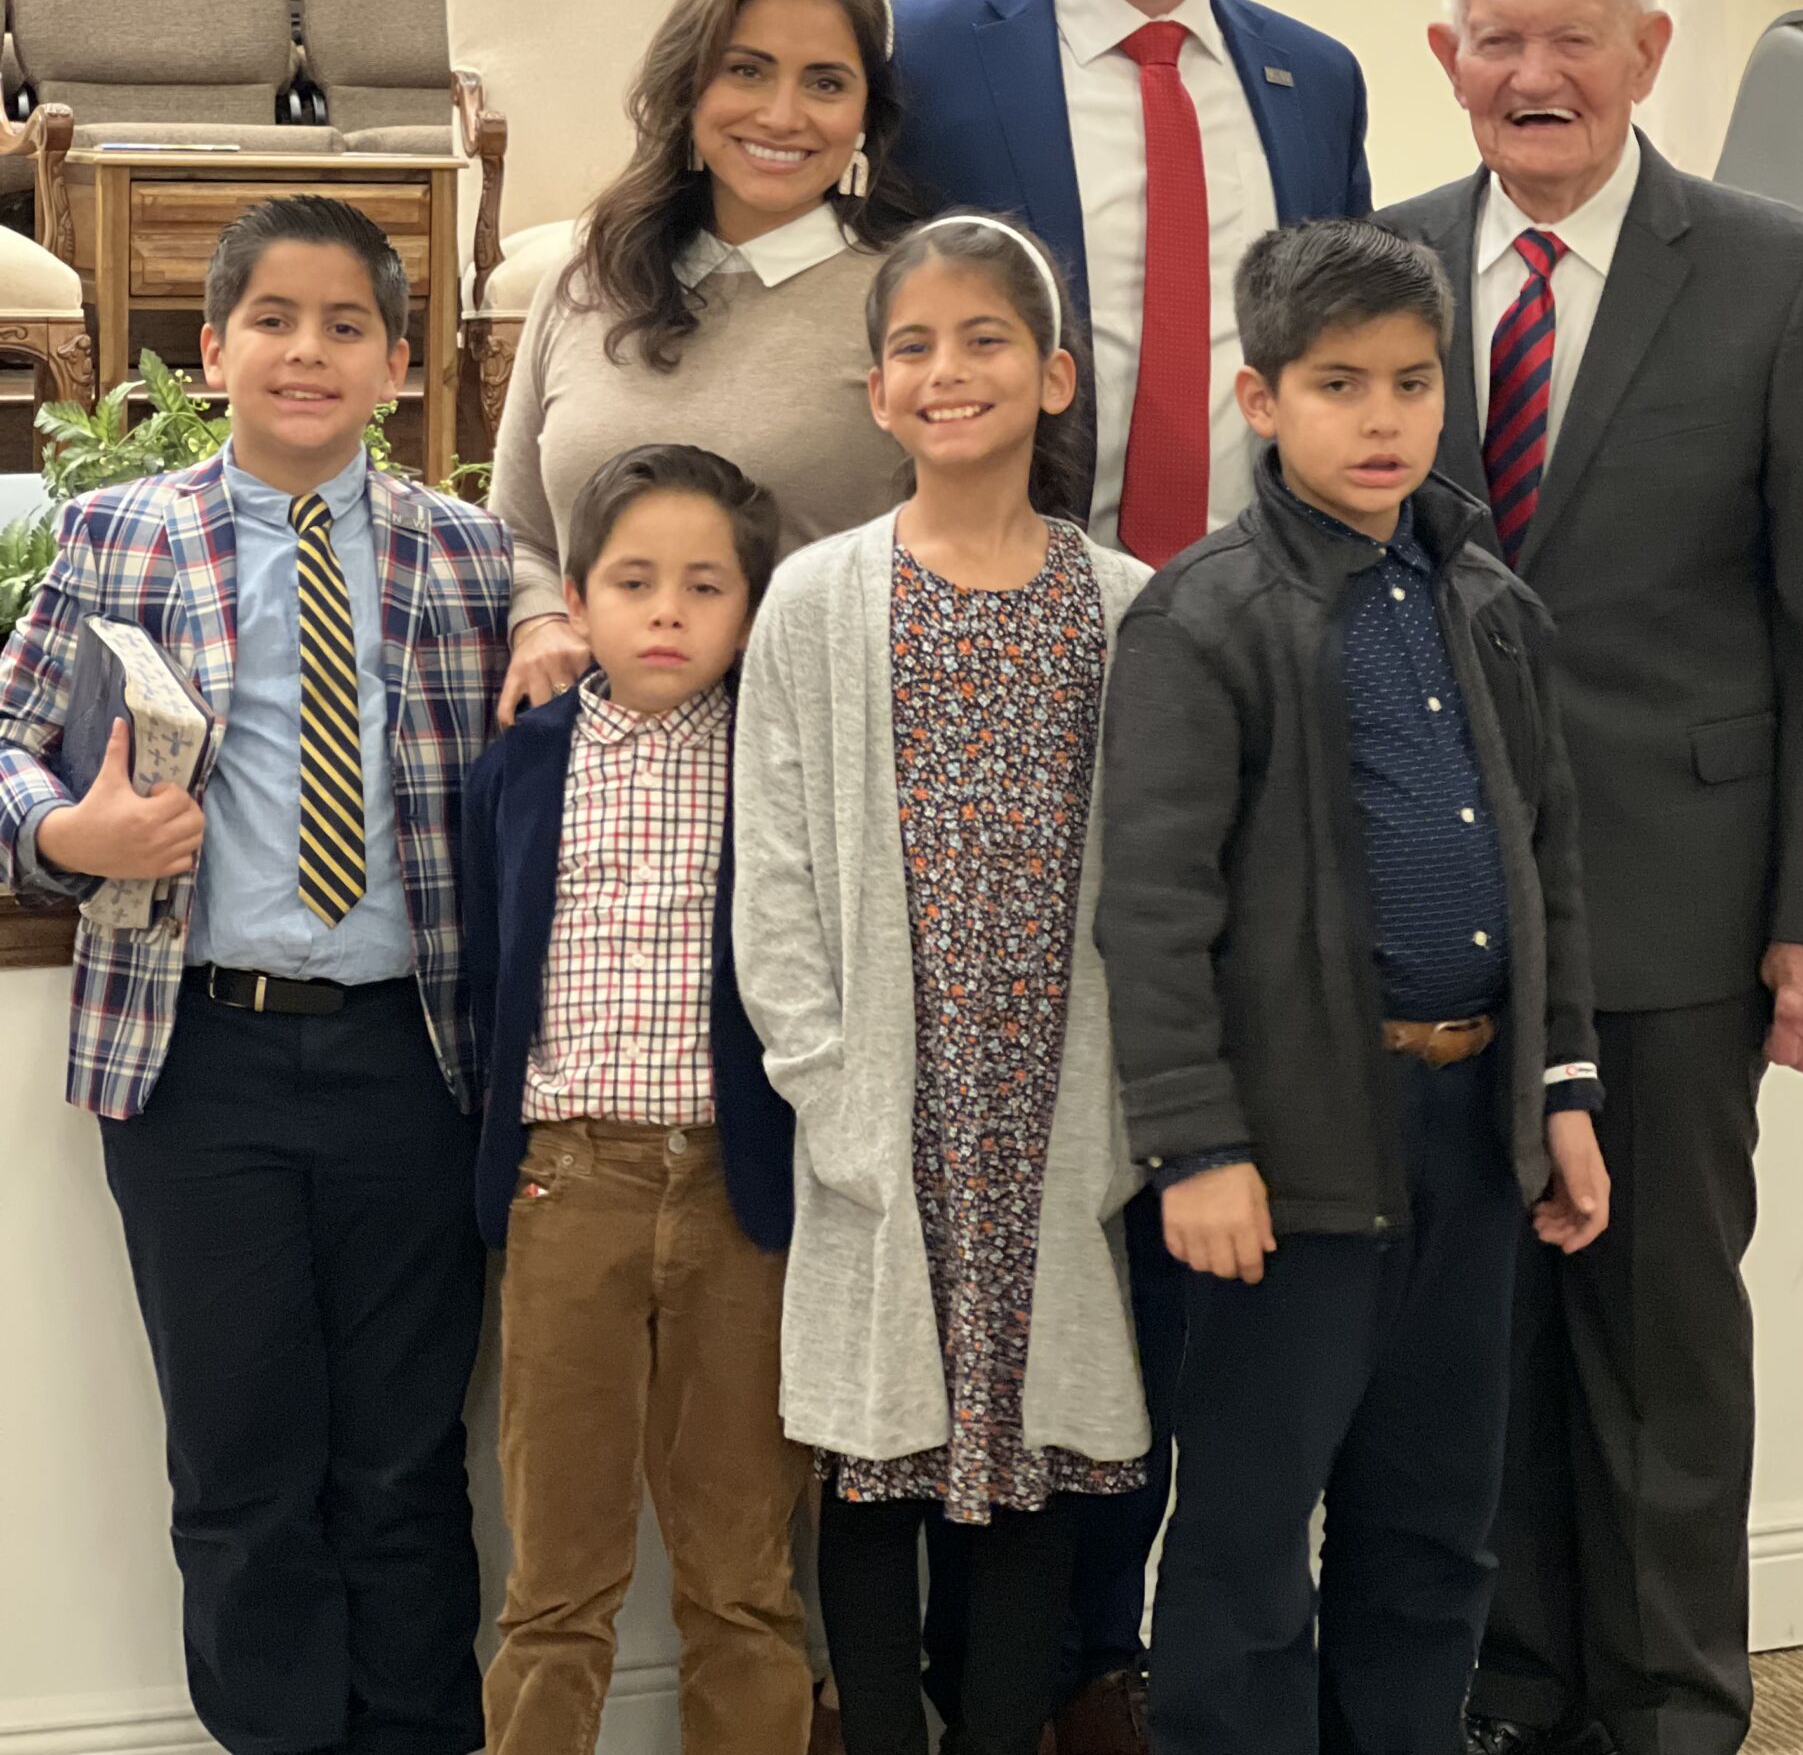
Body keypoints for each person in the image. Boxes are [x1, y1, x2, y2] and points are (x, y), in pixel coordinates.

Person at [892, 0, 1372, 1747]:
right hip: (1014, 664)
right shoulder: (928, 57)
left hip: (1254, 684)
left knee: (1208, 1129)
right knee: (1024, 1152)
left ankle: (1157, 1637)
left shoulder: (1314, 79)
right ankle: (1027, 1639)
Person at [1381, 0, 1803, 1755]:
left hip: (1684, 903)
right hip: (1443, 908)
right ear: (1448, 62)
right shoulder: (1377, 268)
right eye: (1498, 41)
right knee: (1492, 1334)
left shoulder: (1782, 276)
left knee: (1662, 1337)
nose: (1536, 75)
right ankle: (1522, 1694)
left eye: (1574, 38)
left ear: (1648, 55)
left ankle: (1676, 1709)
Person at [0, 196, 512, 1755]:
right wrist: (67, 834)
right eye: (273, 321)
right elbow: (8, 743)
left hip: (414, 1064)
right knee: (240, 1468)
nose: (308, 351)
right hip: (197, 1067)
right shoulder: (118, 533)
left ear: (398, 365)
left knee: (406, 1466)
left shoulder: (470, 554)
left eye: (346, 324)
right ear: (213, 350)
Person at [1095, 216, 1609, 1755]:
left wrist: (1561, 1087)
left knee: (1436, 1525)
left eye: (1411, 381)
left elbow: (1546, 865)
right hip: (1289, 1151)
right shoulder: (1204, 616)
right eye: (1338, 385)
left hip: (1473, 1134)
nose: (1382, 418)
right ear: (1261, 400)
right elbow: (1153, 910)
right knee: (1250, 1542)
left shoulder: (1487, 602)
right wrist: (1196, 1145)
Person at [734, 215, 1151, 1755]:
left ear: (1053, 376)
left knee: (1031, 1466)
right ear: (876, 392)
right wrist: (828, 1085)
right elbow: (774, 869)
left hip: (1053, 1107)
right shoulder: (818, 600)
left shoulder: (1125, 604)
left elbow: (1163, 875)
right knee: (872, 1458)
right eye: (913, 345)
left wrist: (1124, 1117)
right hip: (883, 1109)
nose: (948, 369)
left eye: (986, 339)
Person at [463, 441, 811, 1754]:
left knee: (743, 1575)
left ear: (750, 609)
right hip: (568, 1187)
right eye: (633, 581)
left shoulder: (779, 762)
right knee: (557, 1577)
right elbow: (488, 975)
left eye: (705, 586)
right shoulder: (521, 767)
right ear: (577, 598)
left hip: (741, 1197)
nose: (668, 612)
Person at [488, 0, 916, 731]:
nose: (782, 115)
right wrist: (539, 621)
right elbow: (521, 534)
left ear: (868, 113)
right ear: (689, 84)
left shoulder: (906, 303)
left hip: (816, 758)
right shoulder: (584, 279)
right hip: (593, 765)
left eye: (826, 82)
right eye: (746, 70)